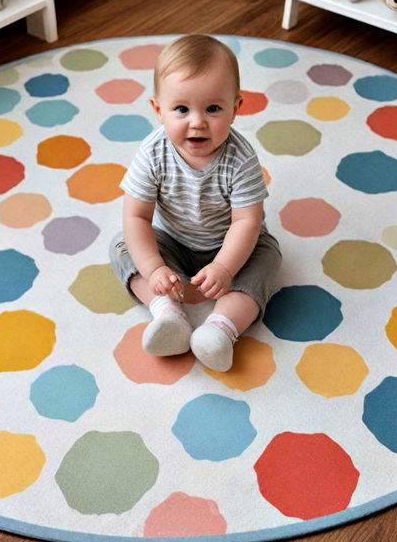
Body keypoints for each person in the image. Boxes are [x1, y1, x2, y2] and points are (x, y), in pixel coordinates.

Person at [110, 34, 281, 371]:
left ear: (236, 108)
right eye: (182, 109)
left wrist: (225, 267)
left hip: (231, 245)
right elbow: (137, 218)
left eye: (213, 108)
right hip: (172, 240)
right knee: (121, 246)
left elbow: (246, 221)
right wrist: (155, 268)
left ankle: (219, 330)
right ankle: (167, 313)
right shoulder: (152, 153)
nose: (197, 122)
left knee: (269, 257)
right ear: (159, 110)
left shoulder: (240, 158)